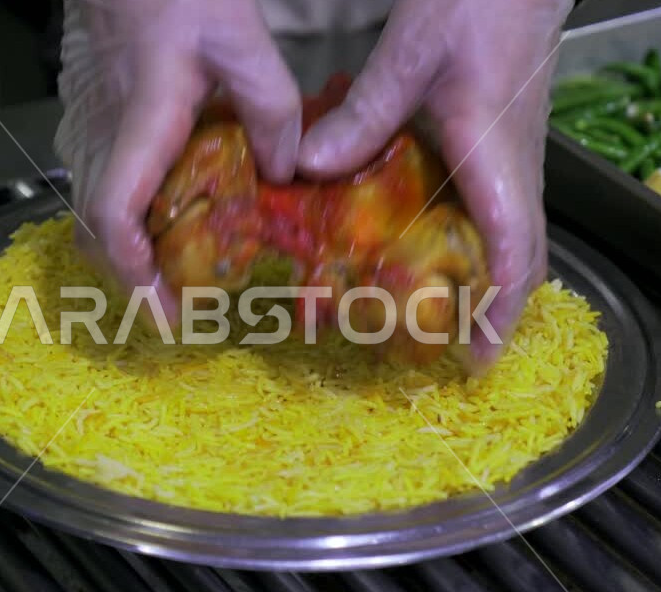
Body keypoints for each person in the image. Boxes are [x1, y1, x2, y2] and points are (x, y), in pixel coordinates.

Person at [53, 0, 573, 373]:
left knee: (423, 311)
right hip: (182, 67)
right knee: (160, 237)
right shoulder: (214, 171)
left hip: (440, 72)